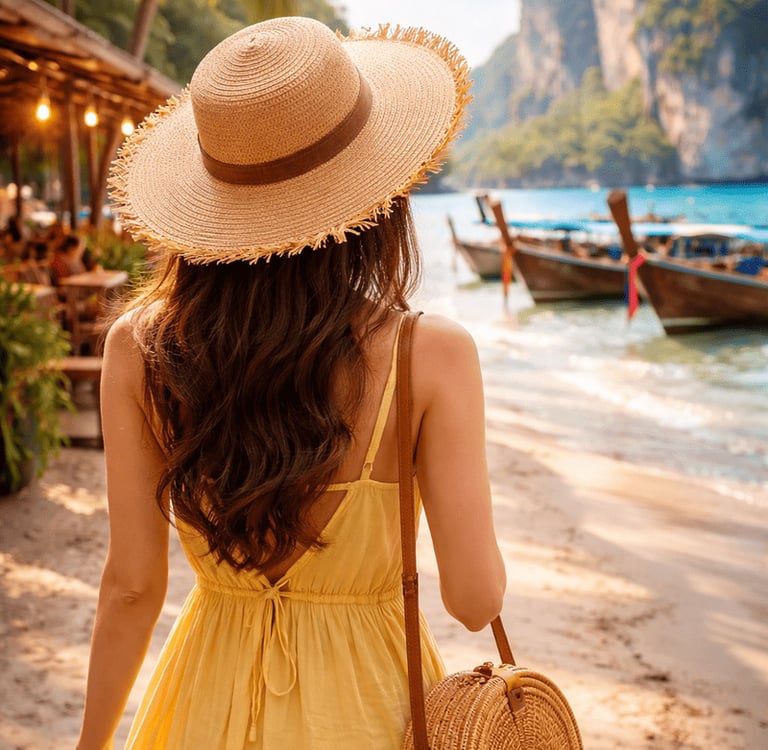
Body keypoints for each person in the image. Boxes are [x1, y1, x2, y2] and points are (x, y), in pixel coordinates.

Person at [77, 16, 506, 750]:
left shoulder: (140, 349)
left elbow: (131, 586)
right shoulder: (426, 353)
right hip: (371, 714)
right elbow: (473, 599)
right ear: (377, 198)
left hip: (204, 706)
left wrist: (90, 744)